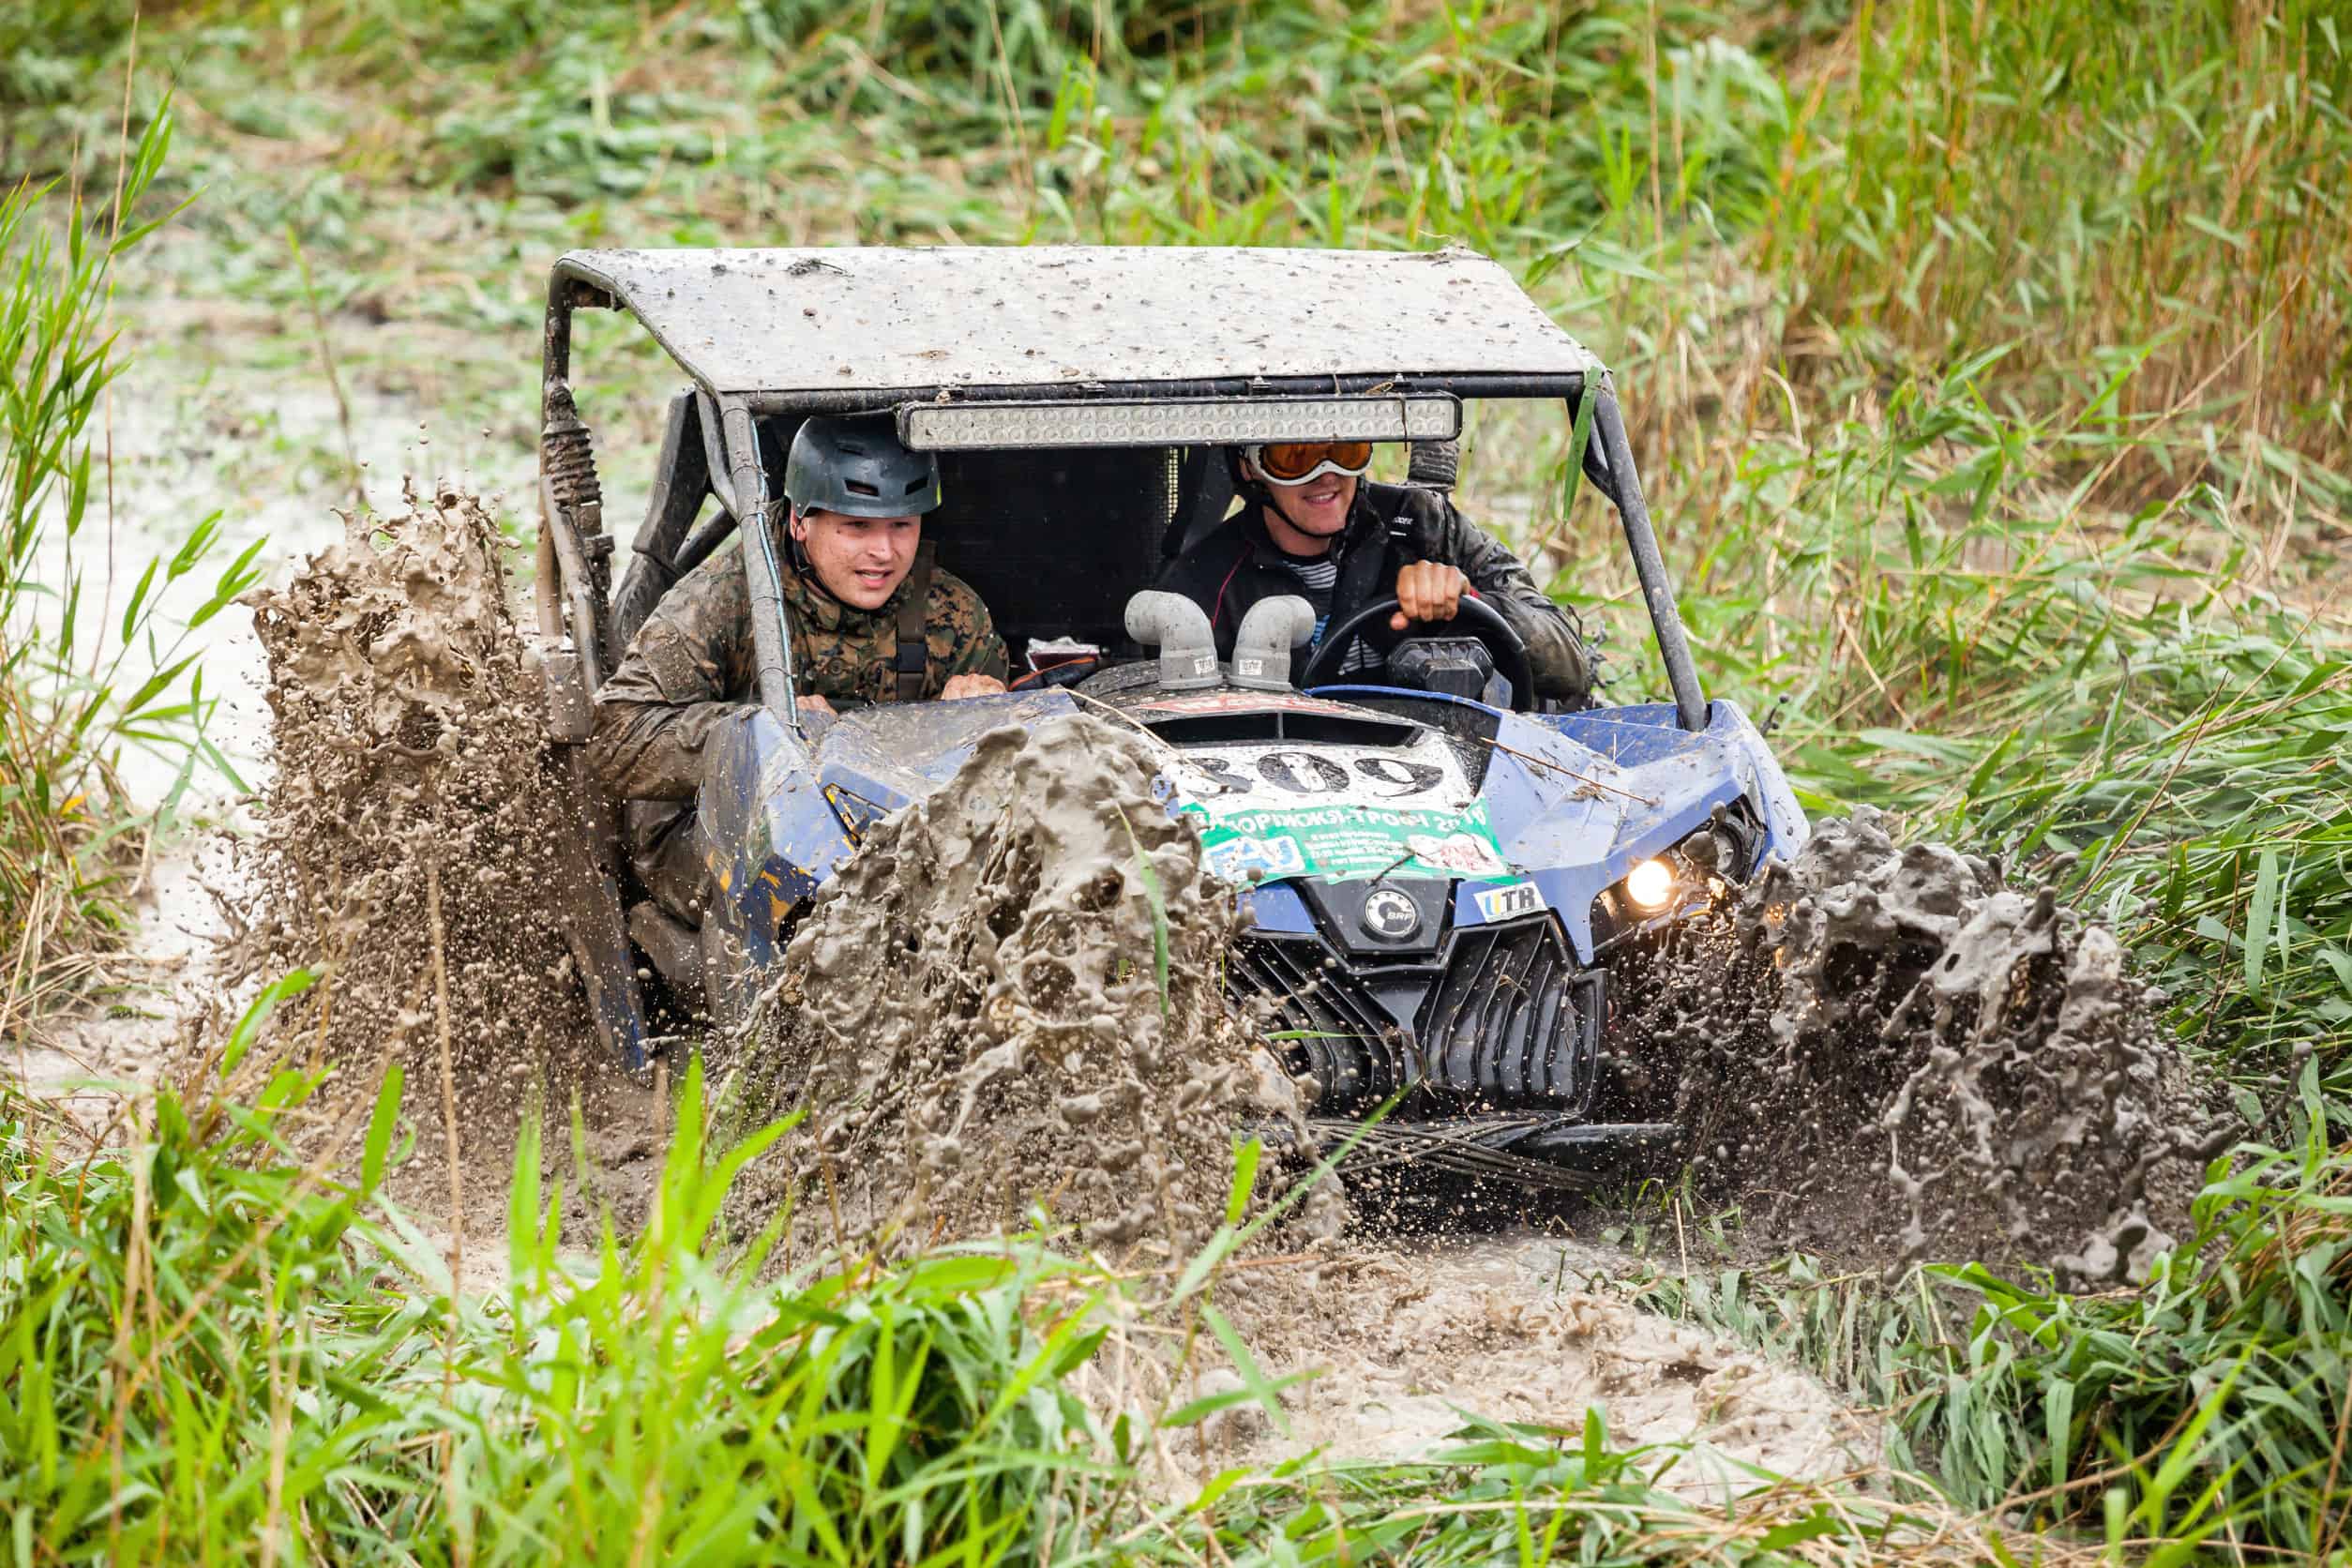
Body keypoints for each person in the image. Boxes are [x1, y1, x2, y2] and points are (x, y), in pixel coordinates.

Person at [589, 415, 1007, 922]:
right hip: (721, 827)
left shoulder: (952, 614)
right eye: (857, 526)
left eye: (902, 525)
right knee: (809, 902)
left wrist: (978, 720)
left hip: (891, 832)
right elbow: (616, 740)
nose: (884, 552)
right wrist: (760, 732)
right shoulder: (725, 598)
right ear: (799, 523)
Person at [1152, 441, 1592, 702]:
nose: (1326, 475)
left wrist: (1469, 600)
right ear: (1251, 467)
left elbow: (1570, 665)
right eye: (1296, 457)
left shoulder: (1428, 526)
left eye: (1344, 450)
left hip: (1444, 769)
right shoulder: (1202, 584)